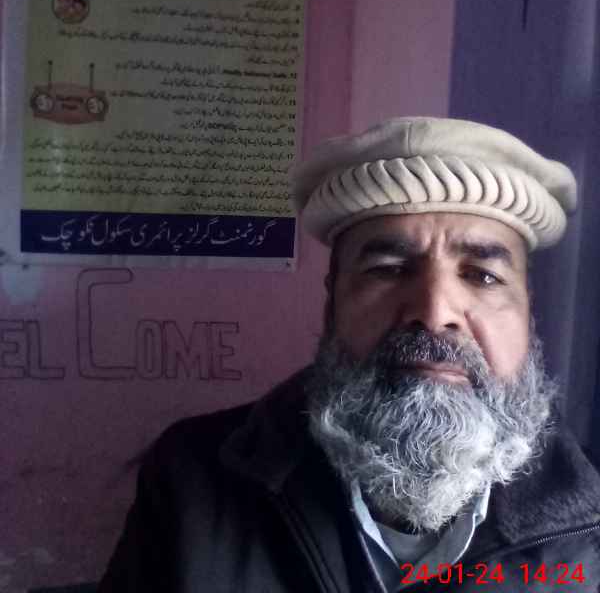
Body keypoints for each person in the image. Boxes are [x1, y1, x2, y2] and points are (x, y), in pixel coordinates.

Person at [99, 116, 600, 592]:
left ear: (528, 312)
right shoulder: (189, 481)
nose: (434, 311)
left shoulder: (590, 528)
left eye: (483, 276)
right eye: (388, 269)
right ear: (332, 301)